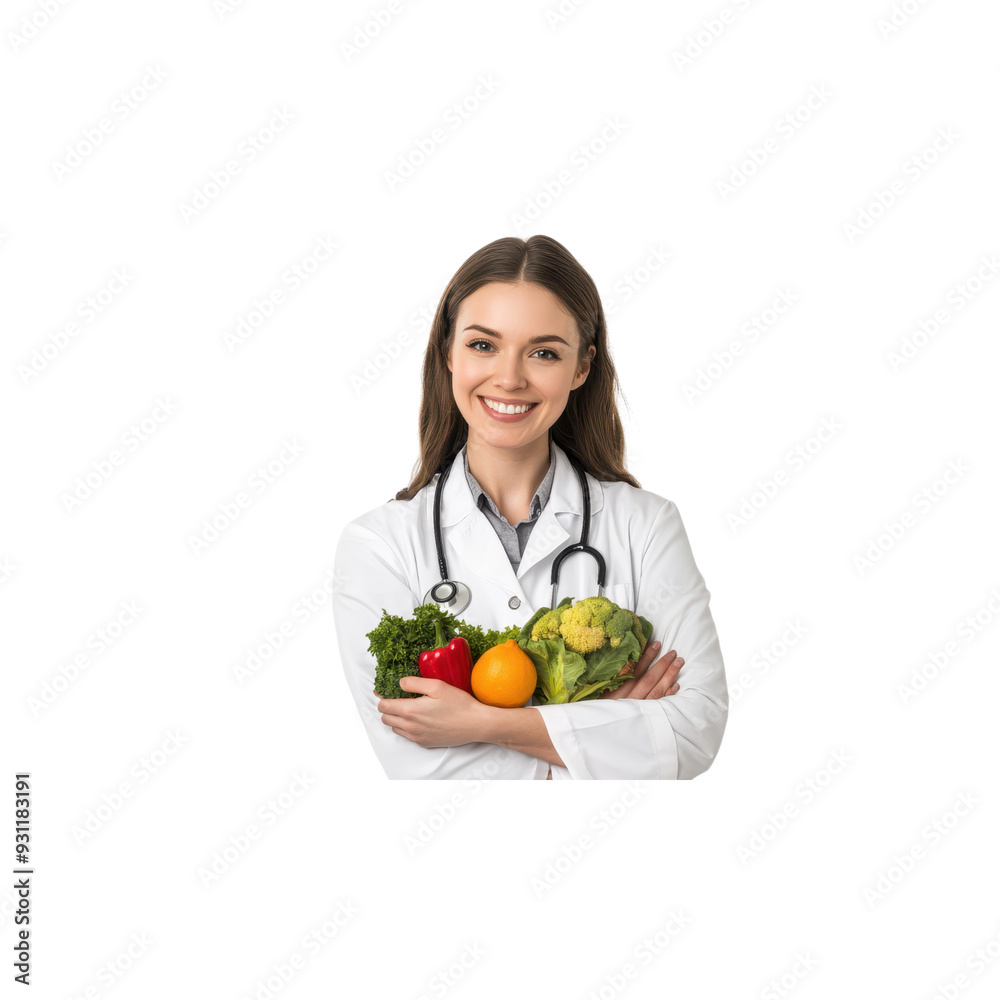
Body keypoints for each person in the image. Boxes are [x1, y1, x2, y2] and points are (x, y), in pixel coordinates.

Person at [332, 235, 728, 779]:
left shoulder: (647, 525)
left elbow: (691, 735)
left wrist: (481, 723)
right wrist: (605, 726)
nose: (510, 377)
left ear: (582, 368)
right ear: (448, 350)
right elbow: (421, 770)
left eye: (543, 352)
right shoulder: (380, 545)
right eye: (482, 345)